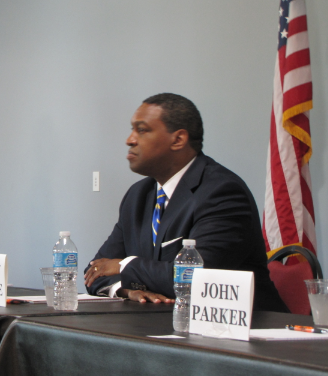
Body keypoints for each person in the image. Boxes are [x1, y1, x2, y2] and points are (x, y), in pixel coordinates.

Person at [83, 93, 287, 312]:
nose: (130, 139)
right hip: (161, 326)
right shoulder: (137, 196)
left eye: (142, 130)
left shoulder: (222, 192)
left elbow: (195, 279)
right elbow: (95, 273)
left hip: (245, 334)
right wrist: (125, 291)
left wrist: (124, 265)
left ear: (178, 140)